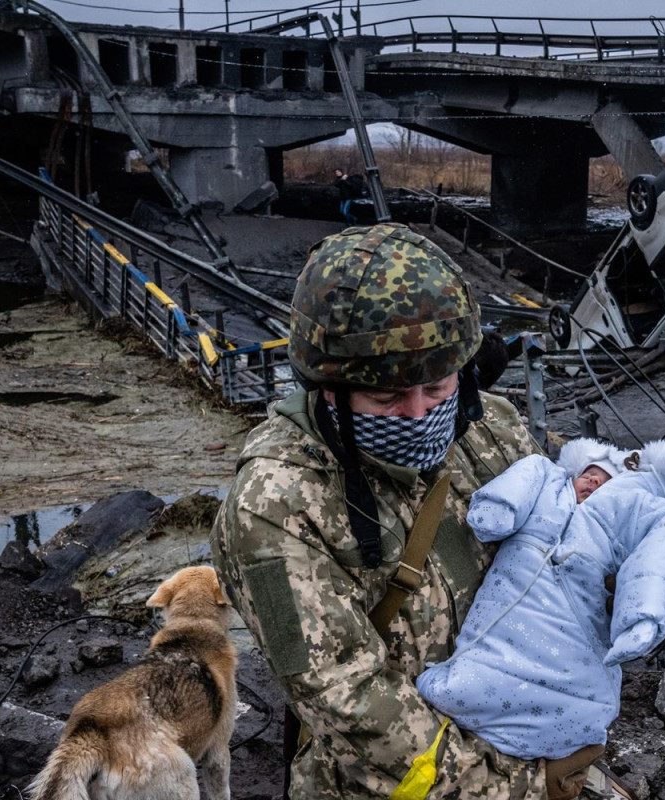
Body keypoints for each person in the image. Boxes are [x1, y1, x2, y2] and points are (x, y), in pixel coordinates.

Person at [212, 223, 620, 800]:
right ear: (327, 389)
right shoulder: (274, 507)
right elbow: (353, 710)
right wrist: (526, 787)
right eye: (385, 399)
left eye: (436, 388)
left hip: (531, 743)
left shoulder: (489, 428)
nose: (417, 413)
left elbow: (563, 562)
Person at [416, 438, 665, 761]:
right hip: (510, 610)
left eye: (604, 480)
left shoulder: (620, 514)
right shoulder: (547, 481)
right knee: (483, 663)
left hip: (576, 622)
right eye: (588, 472)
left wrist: (644, 615)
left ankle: (564, 734)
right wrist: (498, 508)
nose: (593, 480)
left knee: (580, 684)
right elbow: (525, 476)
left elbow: (662, 553)